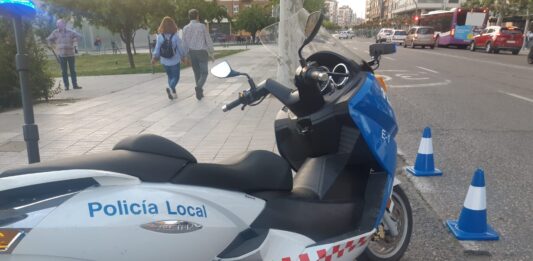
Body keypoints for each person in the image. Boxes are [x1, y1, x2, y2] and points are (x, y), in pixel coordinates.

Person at [151, 16, 187, 100]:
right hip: (174, 61)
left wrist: (154, 58)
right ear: (172, 25)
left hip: (164, 61)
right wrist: (183, 57)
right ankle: (170, 88)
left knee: (170, 77)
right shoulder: (175, 37)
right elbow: (180, 48)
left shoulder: (160, 37)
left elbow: (157, 49)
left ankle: (173, 92)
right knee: (176, 77)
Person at [183, 9, 215, 100]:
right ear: (197, 16)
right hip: (202, 52)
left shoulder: (186, 28)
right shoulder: (202, 26)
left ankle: (199, 93)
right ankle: (199, 87)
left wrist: (185, 55)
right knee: (204, 72)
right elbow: (208, 39)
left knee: (197, 73)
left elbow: (184, 43)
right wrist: (211, 52)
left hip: (192, 53)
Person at [47, 19, 82, 90]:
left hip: (70, 54)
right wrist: (52, 45)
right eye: (57, 24)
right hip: (61, 54)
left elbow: (79, 36)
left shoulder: (70, 32)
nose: (58, 26)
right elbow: (49, 39)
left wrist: (75, 40)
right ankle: (66, 86)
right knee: (64, 71)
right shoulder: (55, 32)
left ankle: (75, 85)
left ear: (64, 24)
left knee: (73, 70)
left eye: (59, 24)